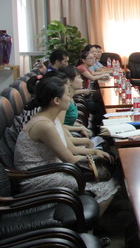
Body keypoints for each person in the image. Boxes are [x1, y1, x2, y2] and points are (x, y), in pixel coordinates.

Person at [14, 76, 119, 212]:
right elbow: (69, 158)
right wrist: (94, 160)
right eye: (67, 94)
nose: (70, 98)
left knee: (104, 174)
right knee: (108, 185)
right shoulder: (44, 125)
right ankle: (87, 224)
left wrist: (94, 152)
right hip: (38, 177)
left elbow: (69, 148)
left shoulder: (51, 118)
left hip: (54, 168)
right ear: (56, 101)